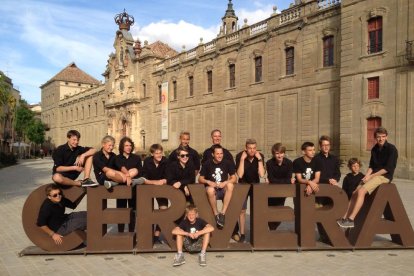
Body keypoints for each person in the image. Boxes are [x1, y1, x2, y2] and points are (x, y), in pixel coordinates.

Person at [338, 127, 398, 228]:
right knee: (354, 193)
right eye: (378, 137)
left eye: (383, 137)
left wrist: (371, 176)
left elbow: (388, 168)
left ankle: (351, 219)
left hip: (384, 176)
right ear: (375, 138)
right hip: (373, 175)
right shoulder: (374, 149)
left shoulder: (392, 149)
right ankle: (344, 217)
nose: (381, 139)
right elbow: (372, 166)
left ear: (386, 137)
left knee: (361, 191)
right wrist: (366, 176)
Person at [198, 144, 237, 228]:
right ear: (213, 154)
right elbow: (200, 179)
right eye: (217, 154)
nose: (220, 156)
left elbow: (234, 178)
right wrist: (208, 182)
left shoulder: (227, 162)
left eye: (221, 153)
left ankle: (222, 214)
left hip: (223, 188)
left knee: (230, 185)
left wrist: (225, 182)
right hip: (212, 188)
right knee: (210, 190)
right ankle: (216, 214)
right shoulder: (207, 163)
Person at [234, 138, 265, 242]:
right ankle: (242, 234)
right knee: (242, 210)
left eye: (254, 148)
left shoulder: (259, 156)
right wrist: (242, 160)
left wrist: (259, 159)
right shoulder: (240, 156)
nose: (252, 150)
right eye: (250, 148)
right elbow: (240, 174)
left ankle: (256, 233)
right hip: (243, 185)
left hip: (255, 185)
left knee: (257, 210)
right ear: (245, 148)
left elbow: (262, 174)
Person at [138, 143, 169, 244]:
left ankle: (157, 233)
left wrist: (163, 181)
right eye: (156, 153)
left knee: (163, 210)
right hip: (149, 189)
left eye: (160, 153)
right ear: (152, 154)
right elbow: (144, 178)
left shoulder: (165, 161)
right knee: (147, 211)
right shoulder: (147, 161)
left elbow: (167, 177)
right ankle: (146, 235)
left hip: (161, 190)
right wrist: (155, 182)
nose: (159, 155)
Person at [112, 137, 143, 232]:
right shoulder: (117, 158)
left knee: (133, 211)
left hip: (133, 188)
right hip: (121, 188)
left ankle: (131, 231)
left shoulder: (137, 158)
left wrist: (130, 177)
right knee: (121, 210)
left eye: (130, 145)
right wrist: (128, 176)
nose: (129, 147)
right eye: (126, 145)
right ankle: (120, 231)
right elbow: (120, 167)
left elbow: (140, 172)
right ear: (122, 146)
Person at [313, 135, 341, 242]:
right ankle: (323, 235)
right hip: (320, 189)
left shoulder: (334, 159)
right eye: (323, 145)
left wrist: (334, 179)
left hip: (331, 190)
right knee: (319, 212)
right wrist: (327, 180)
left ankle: (331, 234)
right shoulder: (315, 159)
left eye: (327, 145)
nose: (326, 147)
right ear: (320, 146)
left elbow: (337, 173)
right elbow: (316, 176)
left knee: (332, 212)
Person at [265, 143, 295, 230]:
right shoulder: (269, 163)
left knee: (279, 213)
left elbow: (288, 178)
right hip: (271, 192)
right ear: (274, 154)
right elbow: (272, 179)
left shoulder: (289, 163)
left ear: (284, 153)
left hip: (283, 192)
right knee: (270, 211)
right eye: (277, 153)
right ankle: (271, 229)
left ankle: (273, 229)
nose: (279, 155)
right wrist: (287, 181)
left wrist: (285, 181)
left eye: (281, 153)